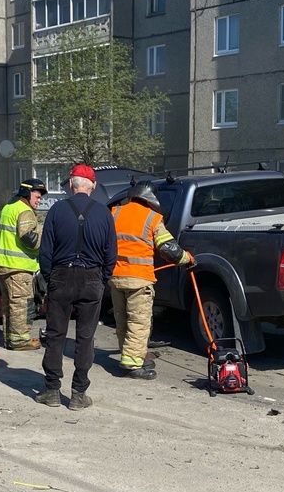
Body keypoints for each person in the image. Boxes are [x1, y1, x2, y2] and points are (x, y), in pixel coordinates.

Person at [35, 163, 116, 411]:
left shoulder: (57, 210)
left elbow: (45, 252)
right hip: (91, 278)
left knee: (55, 335)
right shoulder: (104, 213)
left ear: (71, 184)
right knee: (85, 337)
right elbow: (111, 254)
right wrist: (101, 279)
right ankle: (79, 394)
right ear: (92, 186)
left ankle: (52, 390)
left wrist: (50, 279)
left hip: (61, 276)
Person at [109, 179, 194, 379]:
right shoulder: (152, 218)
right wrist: (187, 258)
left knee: (122, 320)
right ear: (151, 198)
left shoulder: (115, 213)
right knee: (138, 322)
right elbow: (168, 249)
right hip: (139, 280)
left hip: (115, 277)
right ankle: (133, 364)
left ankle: (131, 354)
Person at [0, 177, 46, 350]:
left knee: (9, 304)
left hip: (3, 265)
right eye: (37, 197)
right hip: (18, 267)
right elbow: (28, 237)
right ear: (27, 193)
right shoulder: (25, 210)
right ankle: (20, 341)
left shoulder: (9, 207)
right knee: (21, 304)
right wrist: (46, 243)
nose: (39, 201)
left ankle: (10, 338)